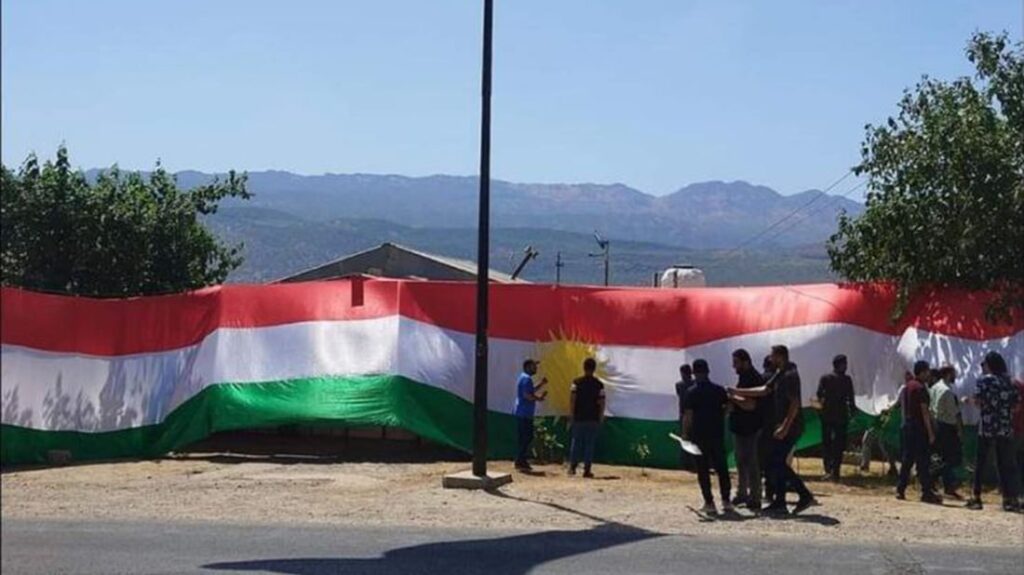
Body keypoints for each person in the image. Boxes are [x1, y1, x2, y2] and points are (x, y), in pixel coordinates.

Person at [730, 345, 815, 515]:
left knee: (777, 461)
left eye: (772, 356)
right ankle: (780, 502)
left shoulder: (790, 375)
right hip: (780, 426)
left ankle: (804, 495)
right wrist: (737, 391)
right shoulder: (779, 373)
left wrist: (785, 426)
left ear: (780, 356)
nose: (770, 359)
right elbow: (763, 390)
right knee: (776, 461)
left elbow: (795, 403)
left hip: (791, 426)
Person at [965, 351, 1020, 512]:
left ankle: (976, 497)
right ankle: (1010, 499)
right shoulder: (1009, 381)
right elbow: (1016, 406)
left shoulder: (984, 381)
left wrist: (981, 405)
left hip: (986, 427)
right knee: (1006, 464)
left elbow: (978, 401)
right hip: (1004, 427)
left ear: (989, 365)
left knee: (980, 463)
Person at [682, 359, 732, 515]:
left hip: (699, 435)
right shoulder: (719, 390)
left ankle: (709, 502)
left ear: (694, 373)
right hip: (716, 433)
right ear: (708, 371)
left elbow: (688, 415)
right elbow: (729, 406)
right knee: (721, 468)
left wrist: (685, 433)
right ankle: (726, 500)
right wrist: (720, 417)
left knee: (703, 470)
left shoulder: (691, 392)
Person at [896, 361, 941, 503]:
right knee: (923, 461)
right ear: (922, 372)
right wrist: (931, 432)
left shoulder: (907, 387)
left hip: (908, 426)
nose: (929, 374)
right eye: (927, 372)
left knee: (907, 459)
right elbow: (924, 412)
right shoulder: (921, 388)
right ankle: (926, 492)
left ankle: (900, 489)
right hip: (919, 428)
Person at [728, 349, 764, 511]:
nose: (734, 366)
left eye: (736, 362)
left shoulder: (754, 378)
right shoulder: (742, 378)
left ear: (745, 362)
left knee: (752, 464)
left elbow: (751, 405)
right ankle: (742, 493)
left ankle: (755, 497)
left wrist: (732, 397)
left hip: (751, 428)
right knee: (741, 463)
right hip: (739, 427)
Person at [815, 354, 857, 481]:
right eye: (844, 364)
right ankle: (834, 471)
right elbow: (851, 399)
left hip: (828, 415)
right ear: (838, 365)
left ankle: (831, 470)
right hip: (839, 416)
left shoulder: (826, 378)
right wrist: (853, 412)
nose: (846, 366)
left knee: (829, 444)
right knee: (837, 445)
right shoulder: (845, 380)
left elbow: (818, 395)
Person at [930, 365, 964, 498]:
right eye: (954, 373)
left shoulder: (934, 388)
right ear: (949, 374)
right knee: (950, 459)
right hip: (947, 427)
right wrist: (960, 431)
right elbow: (954, 414)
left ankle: (943, 484)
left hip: (937, 425)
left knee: (941, 457)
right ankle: (935, 479)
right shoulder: (947, 391)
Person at [568, 358, 606, 478]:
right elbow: (602, 402)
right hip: (592, 417)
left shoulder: (576, 382)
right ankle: (587, 470)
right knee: (590, 444)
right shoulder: (599, 384)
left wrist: (571, 415)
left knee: (576, 442)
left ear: (583, 367)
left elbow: (572, 400)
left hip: (579, 417)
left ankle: (572, 468)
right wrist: (600, 417)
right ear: (594, 369)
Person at [514, 359, 547, 471]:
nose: (536, 368)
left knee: (525, 437)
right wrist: (539, 399)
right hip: (524, 412)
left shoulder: (524, 378)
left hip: (523, 412)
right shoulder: (527, 379)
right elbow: (527, 395)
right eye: (534, 366)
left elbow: (530, 391)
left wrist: (541, 384)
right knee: (526, 437)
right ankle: (520, 460)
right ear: (528, 367)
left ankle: (521, 460)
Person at [675, 364, 696, 470]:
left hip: (683, 413)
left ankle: (686, 463)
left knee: (685, 438)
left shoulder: (679, 385)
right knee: (693, 439)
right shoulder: (695, 384)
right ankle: (693, 462)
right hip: (694, 415)